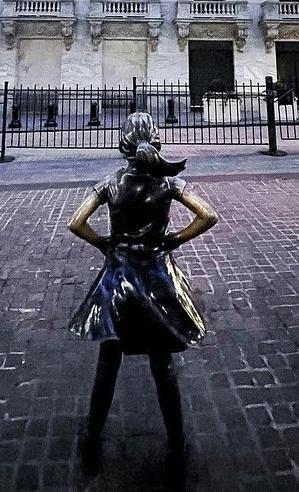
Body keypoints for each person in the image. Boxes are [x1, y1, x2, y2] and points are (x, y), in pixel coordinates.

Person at [68, 112, 218, 475]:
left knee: (108, 362)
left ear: (123, 145)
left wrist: (104, 243)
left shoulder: (111, 183)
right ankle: (176, 439)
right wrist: (174, 239)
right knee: (162, 364)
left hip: (118, 279)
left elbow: (76, 222)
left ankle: (91, 434)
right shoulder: (168, 185)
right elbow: (208, 215)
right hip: (157, 278)